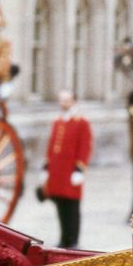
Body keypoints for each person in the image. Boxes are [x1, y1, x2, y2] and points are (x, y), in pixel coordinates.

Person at [40, 89, 92, 249]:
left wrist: (79, 169)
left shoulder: (82, 122)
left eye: (67, 100)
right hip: (57, 172)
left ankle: (73, 240)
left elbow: (85, 147)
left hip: (71, 171)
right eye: (62, 100)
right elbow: (51, 145)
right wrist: (46, 167)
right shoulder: (57, 121)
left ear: (74, 102)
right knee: (60, 206)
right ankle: (64, 238)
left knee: (72, 207)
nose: (64, 104)